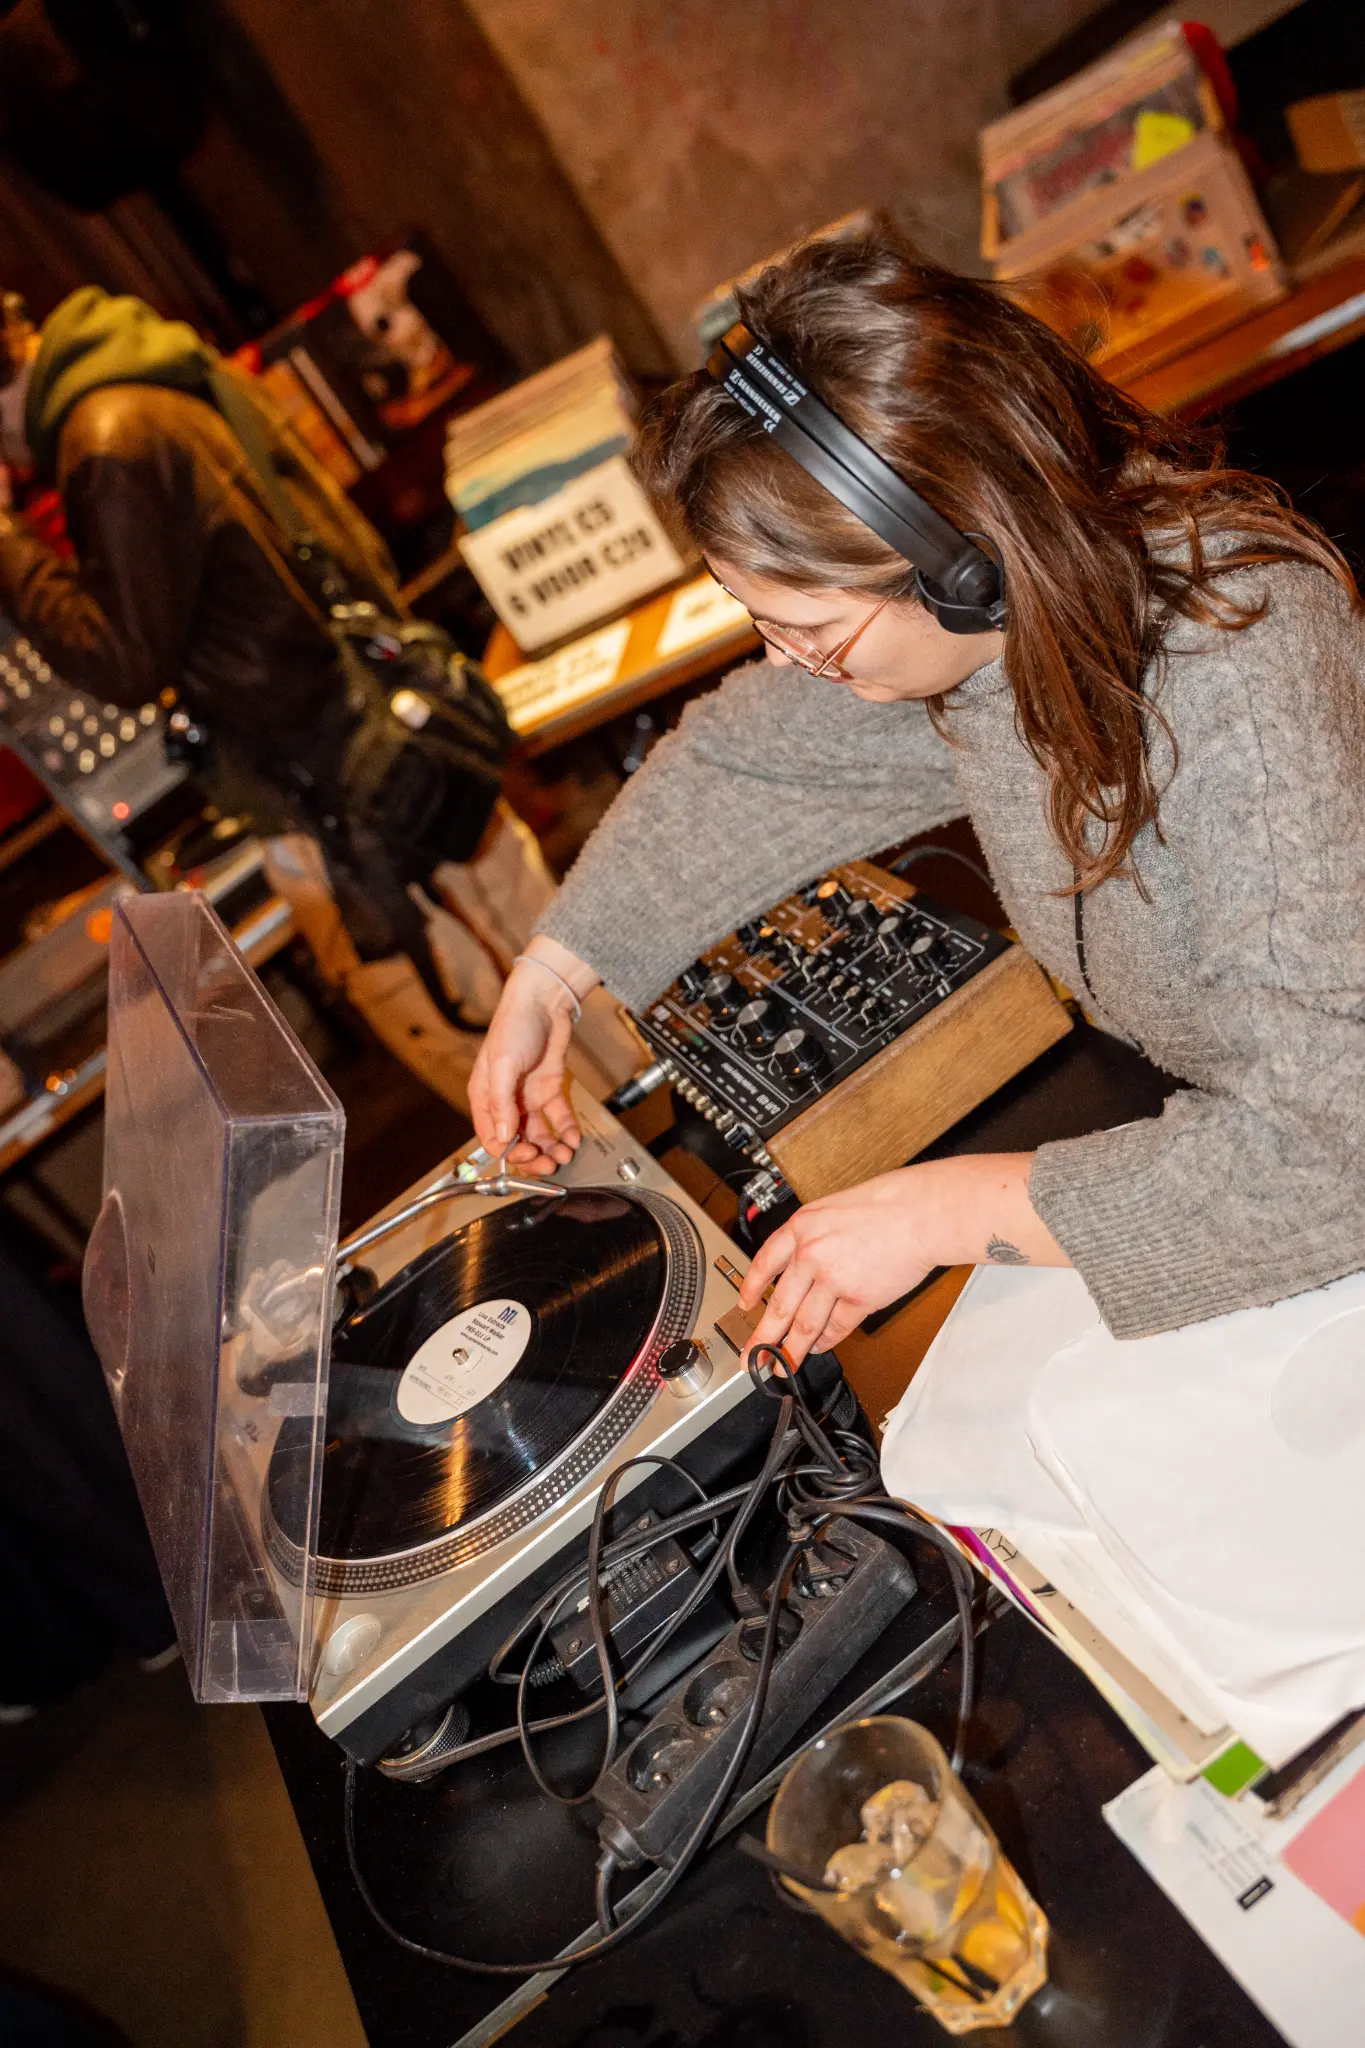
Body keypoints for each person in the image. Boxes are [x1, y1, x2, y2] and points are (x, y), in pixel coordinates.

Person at [469, 225, 1365, 1358]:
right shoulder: (1012, 621)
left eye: (812, 631)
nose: (789, 663)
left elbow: (1336, 1139)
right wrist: (552, 976)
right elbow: (751, 756)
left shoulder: (1237, 669)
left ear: (965, 569)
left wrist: (942, 1210)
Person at [0, 284, 555, 1091]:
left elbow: (121, 662)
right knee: (564, 981)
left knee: (491, 1065)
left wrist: (8, 544)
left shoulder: (105, 443)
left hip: (330, 793)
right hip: (392, 731)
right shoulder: (151, 368)